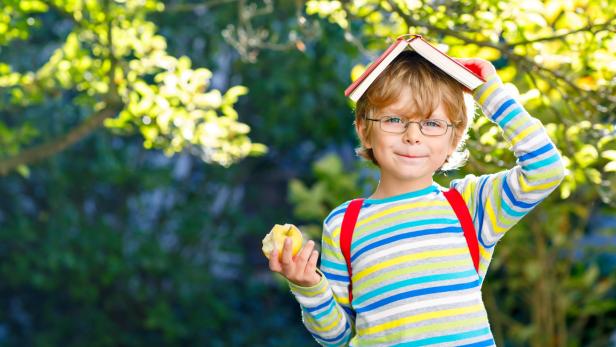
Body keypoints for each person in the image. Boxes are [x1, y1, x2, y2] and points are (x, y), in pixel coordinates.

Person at [268, 50, 565, 346]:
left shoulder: (470, 206)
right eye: (395, 120)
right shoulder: (344, 225)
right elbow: (337, 337)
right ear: (365, 131)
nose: (413, 135)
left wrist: (489, 93)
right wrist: (308, 287)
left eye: (432, 124)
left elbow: (546, 170)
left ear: (454, 138)